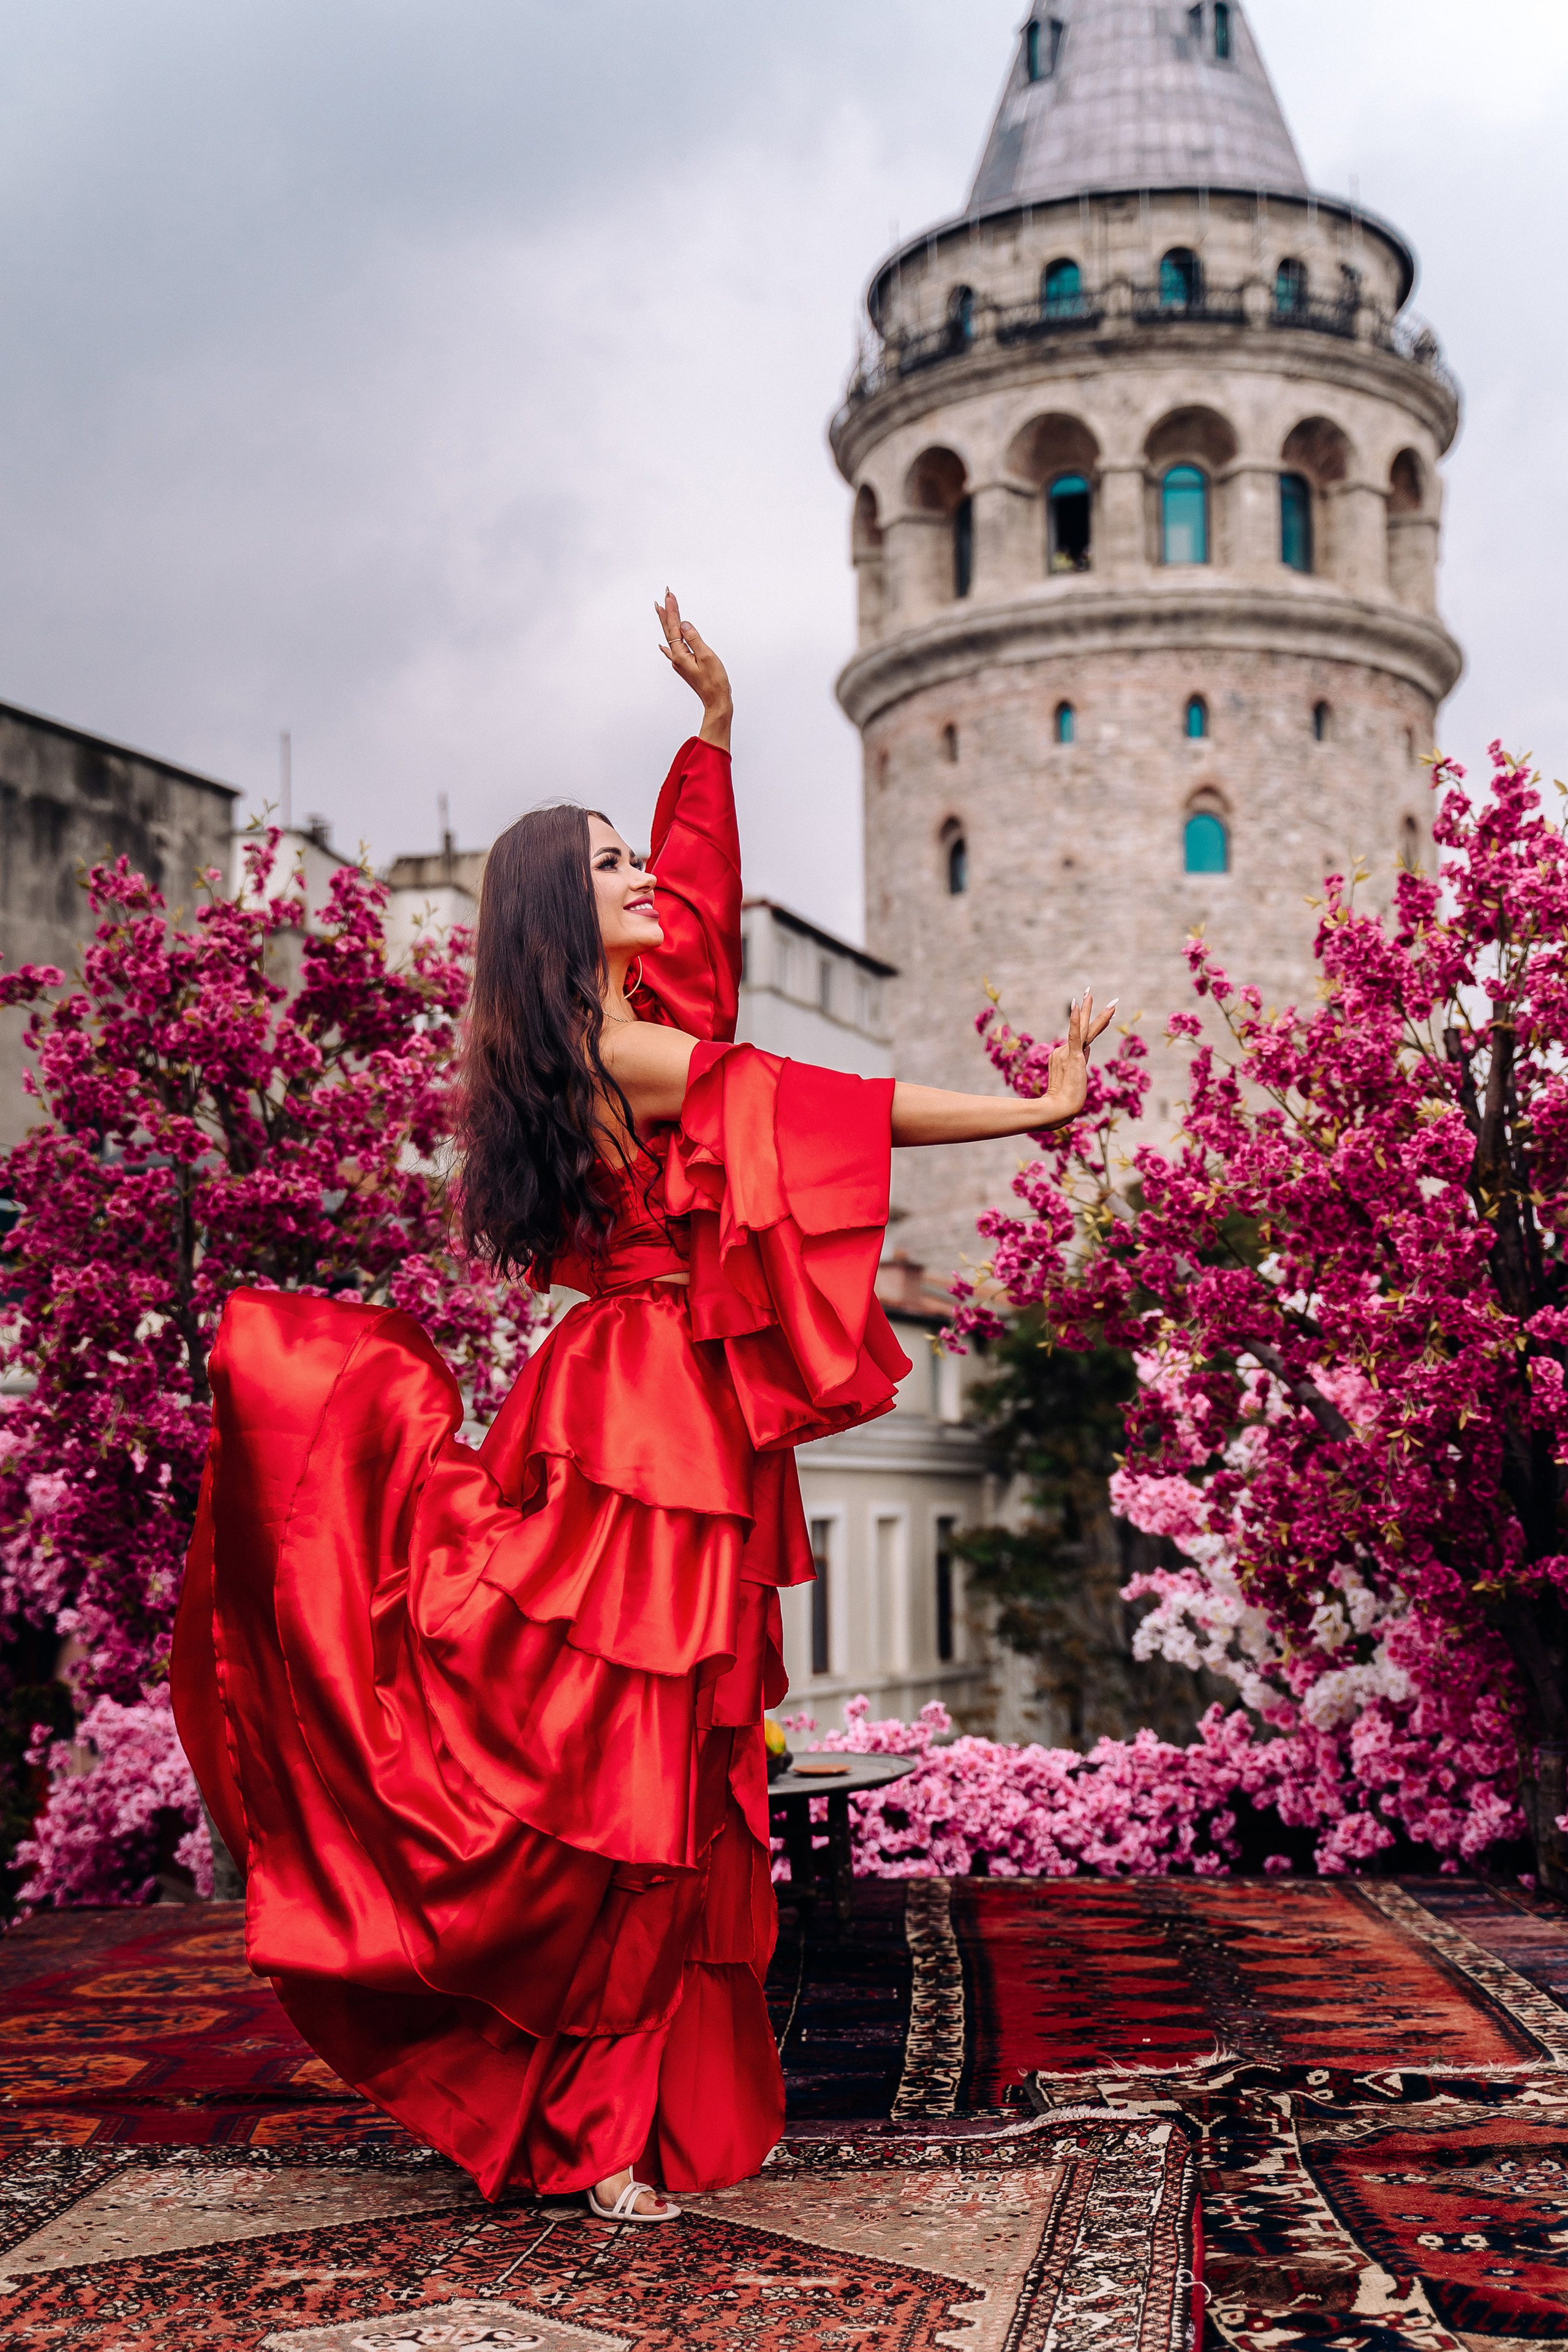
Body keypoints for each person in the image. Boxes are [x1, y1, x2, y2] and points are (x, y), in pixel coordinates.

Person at [172, 593, 1114, 2221]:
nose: (642, 880)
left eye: (635, 855)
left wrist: (715, 743)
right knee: (638, 1790)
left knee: (652, 1786)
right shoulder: (645, 1061)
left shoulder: (581, 1048)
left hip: (630, 1406)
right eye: (609, 864)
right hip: (646, 1431)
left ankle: (601, 2114)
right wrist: (1039, 1105)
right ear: (560, 914)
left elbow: (705, 942)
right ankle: (598, 2126)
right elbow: (845, 1105)